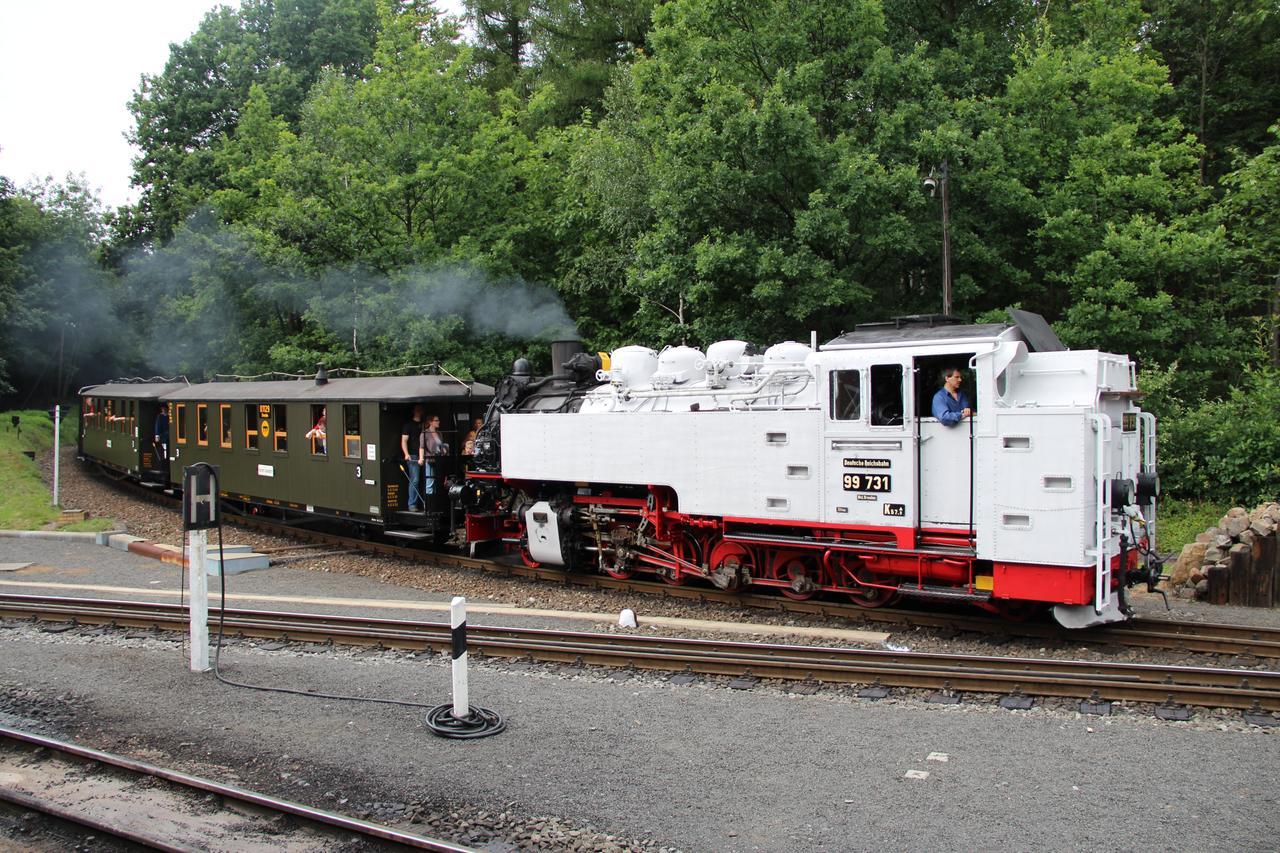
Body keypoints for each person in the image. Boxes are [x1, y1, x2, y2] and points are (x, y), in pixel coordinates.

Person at [401, 405, 425, 511]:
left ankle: (425, 503)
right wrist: (406, 454)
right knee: (414, 480)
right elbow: (404, 440)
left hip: (425, 455)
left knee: (427, 479)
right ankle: (412, 504)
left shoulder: (425, 424)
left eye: (421, 410)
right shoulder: (408, 425)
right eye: (417, 410)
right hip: (413, 455)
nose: (419, 412)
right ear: (413, 411)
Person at [422, 414, 447, 495]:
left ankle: (435, 501)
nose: (438, 422)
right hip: (430, 459)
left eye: (438, 420)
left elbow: (441, 445)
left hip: (439, 459)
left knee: (437, 480)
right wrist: (421, 458)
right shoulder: (425, 433)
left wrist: (444, 450)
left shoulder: (439, 433)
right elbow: (421, 447)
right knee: (430, 480)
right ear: (430, 422)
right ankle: (429, 502)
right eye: (436, 420)